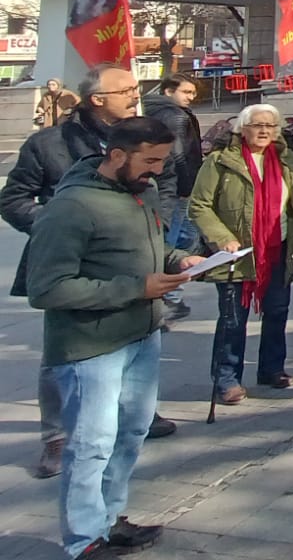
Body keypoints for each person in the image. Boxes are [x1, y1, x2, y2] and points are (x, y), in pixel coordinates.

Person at [26, 117, 205, 560]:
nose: (158, 172)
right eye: (151, 161)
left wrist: (182, 260)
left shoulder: (140, 193)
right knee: (90, 445)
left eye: (163, 161)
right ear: (117, 155)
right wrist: (136, 289)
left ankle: (109, 518)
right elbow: (46, 288)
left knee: (131, 432)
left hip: (142, 335)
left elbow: (148, 250)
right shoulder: (70, 207)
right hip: (91, 348)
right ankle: (84, 540)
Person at [2, 65, 176, 479]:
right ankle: (57, 436)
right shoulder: (50, 143)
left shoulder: (147, 133)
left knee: (138, 336)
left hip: (135, 255)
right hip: (72, 263)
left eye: (136, 88)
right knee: (64, 351)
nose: (136, 94)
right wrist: (54, 225)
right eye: (126, 89)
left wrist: (158, 222)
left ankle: (135, 413)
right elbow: (13, 198)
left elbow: (165, 183)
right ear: (97, 99)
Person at [189, 103, 293, 405]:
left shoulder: (286, 161)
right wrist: (221, 238)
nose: (264, 130)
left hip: (277, 248)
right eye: (257, 125)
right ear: (242, 128)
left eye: (270, 125)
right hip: (237, 253)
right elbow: (199, 206)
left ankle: (272, 368)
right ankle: (226, 379)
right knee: (233, 318)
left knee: (277, 311)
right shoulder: (219, 162)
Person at [142, 75, 203, 326]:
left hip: (161, 185)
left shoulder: (149, 110)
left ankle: (169, 295)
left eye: (193, 93)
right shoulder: (175, 116)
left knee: (181, 236)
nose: (190, 97)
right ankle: (169, 297)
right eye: (186, 92)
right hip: (177, 186)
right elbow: (178, 155)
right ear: (169, 91)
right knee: (178, 237)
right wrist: (186, 186)